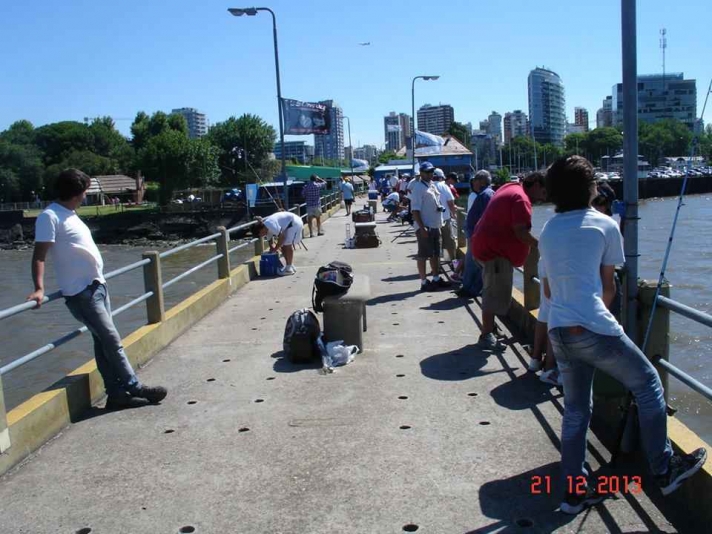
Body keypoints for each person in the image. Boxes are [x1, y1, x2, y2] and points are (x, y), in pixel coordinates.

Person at [540, 155, 707, 514]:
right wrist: (597, 318)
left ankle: (573, 493)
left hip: (559, 332)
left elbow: (550, 291)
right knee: (648, 384)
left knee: (575, 411)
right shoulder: (604, 225)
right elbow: (609, 289)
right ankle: (664, 469)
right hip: (593, 328)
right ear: (590, 188)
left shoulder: (549, 230)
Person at [27, 169, 168, 411]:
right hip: (80, 292)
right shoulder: (49, 216)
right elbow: (39, 255)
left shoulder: (69, 214)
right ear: (76, 192)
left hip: (97, 286)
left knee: (103, 343)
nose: (85, 197)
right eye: (84, 192)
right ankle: (134, 387)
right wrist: (39, 288)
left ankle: (115, 395)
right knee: (111, 339)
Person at [471, 172, 547, 349]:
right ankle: (486, 335)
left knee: (493, 290)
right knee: (493, 294)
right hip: (495, 253)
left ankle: (490, 327)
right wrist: (543, 245)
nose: (543, 199)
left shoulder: (510, 188)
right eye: (543, 193)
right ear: (535, 184)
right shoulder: (521, 199)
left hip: (485, 247)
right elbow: (521, 232)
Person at [410, 162, 450, 292]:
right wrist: (422, 228)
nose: (430, 174)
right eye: (427, 172)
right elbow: (415, 211)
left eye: (431, 171)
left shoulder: (431, 185)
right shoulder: (418, 188)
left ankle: (436, 278)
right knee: (423, 254)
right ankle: (423, 281)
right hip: (425, 226)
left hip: (435, 225)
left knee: (435, 254)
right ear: (421, 173)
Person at [455, 170, 494, 296]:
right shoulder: (484, 194)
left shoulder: (485, 195)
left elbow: (485, 218)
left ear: (481, 181)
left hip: (477, 236)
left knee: (475, 263)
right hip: (475, 235)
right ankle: (469, 287)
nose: (473, 183)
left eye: (475, 180)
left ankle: (471, 289)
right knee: (473, 262)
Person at [253, 211, 303, 276]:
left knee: (287, 244)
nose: (262, 236)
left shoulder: (270, 224)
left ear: (261, 229)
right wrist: (272, 248)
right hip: (289, 225)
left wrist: (275, 248)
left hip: (294, 223)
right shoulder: (266, 228)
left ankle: (289, 269)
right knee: (283, 245)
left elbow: (282, 237)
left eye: (261, 234)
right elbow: (270, 241)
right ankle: (290, 265)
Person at [433, 168, 457, 264]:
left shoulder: (427, 186)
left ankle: (437, 265)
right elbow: (450, 203)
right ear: (441, 177)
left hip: (432, 221)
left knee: (436, 244)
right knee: (448, 242)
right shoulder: (444, 187)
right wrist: (454, 214)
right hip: (445, 218)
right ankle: (450, 261)